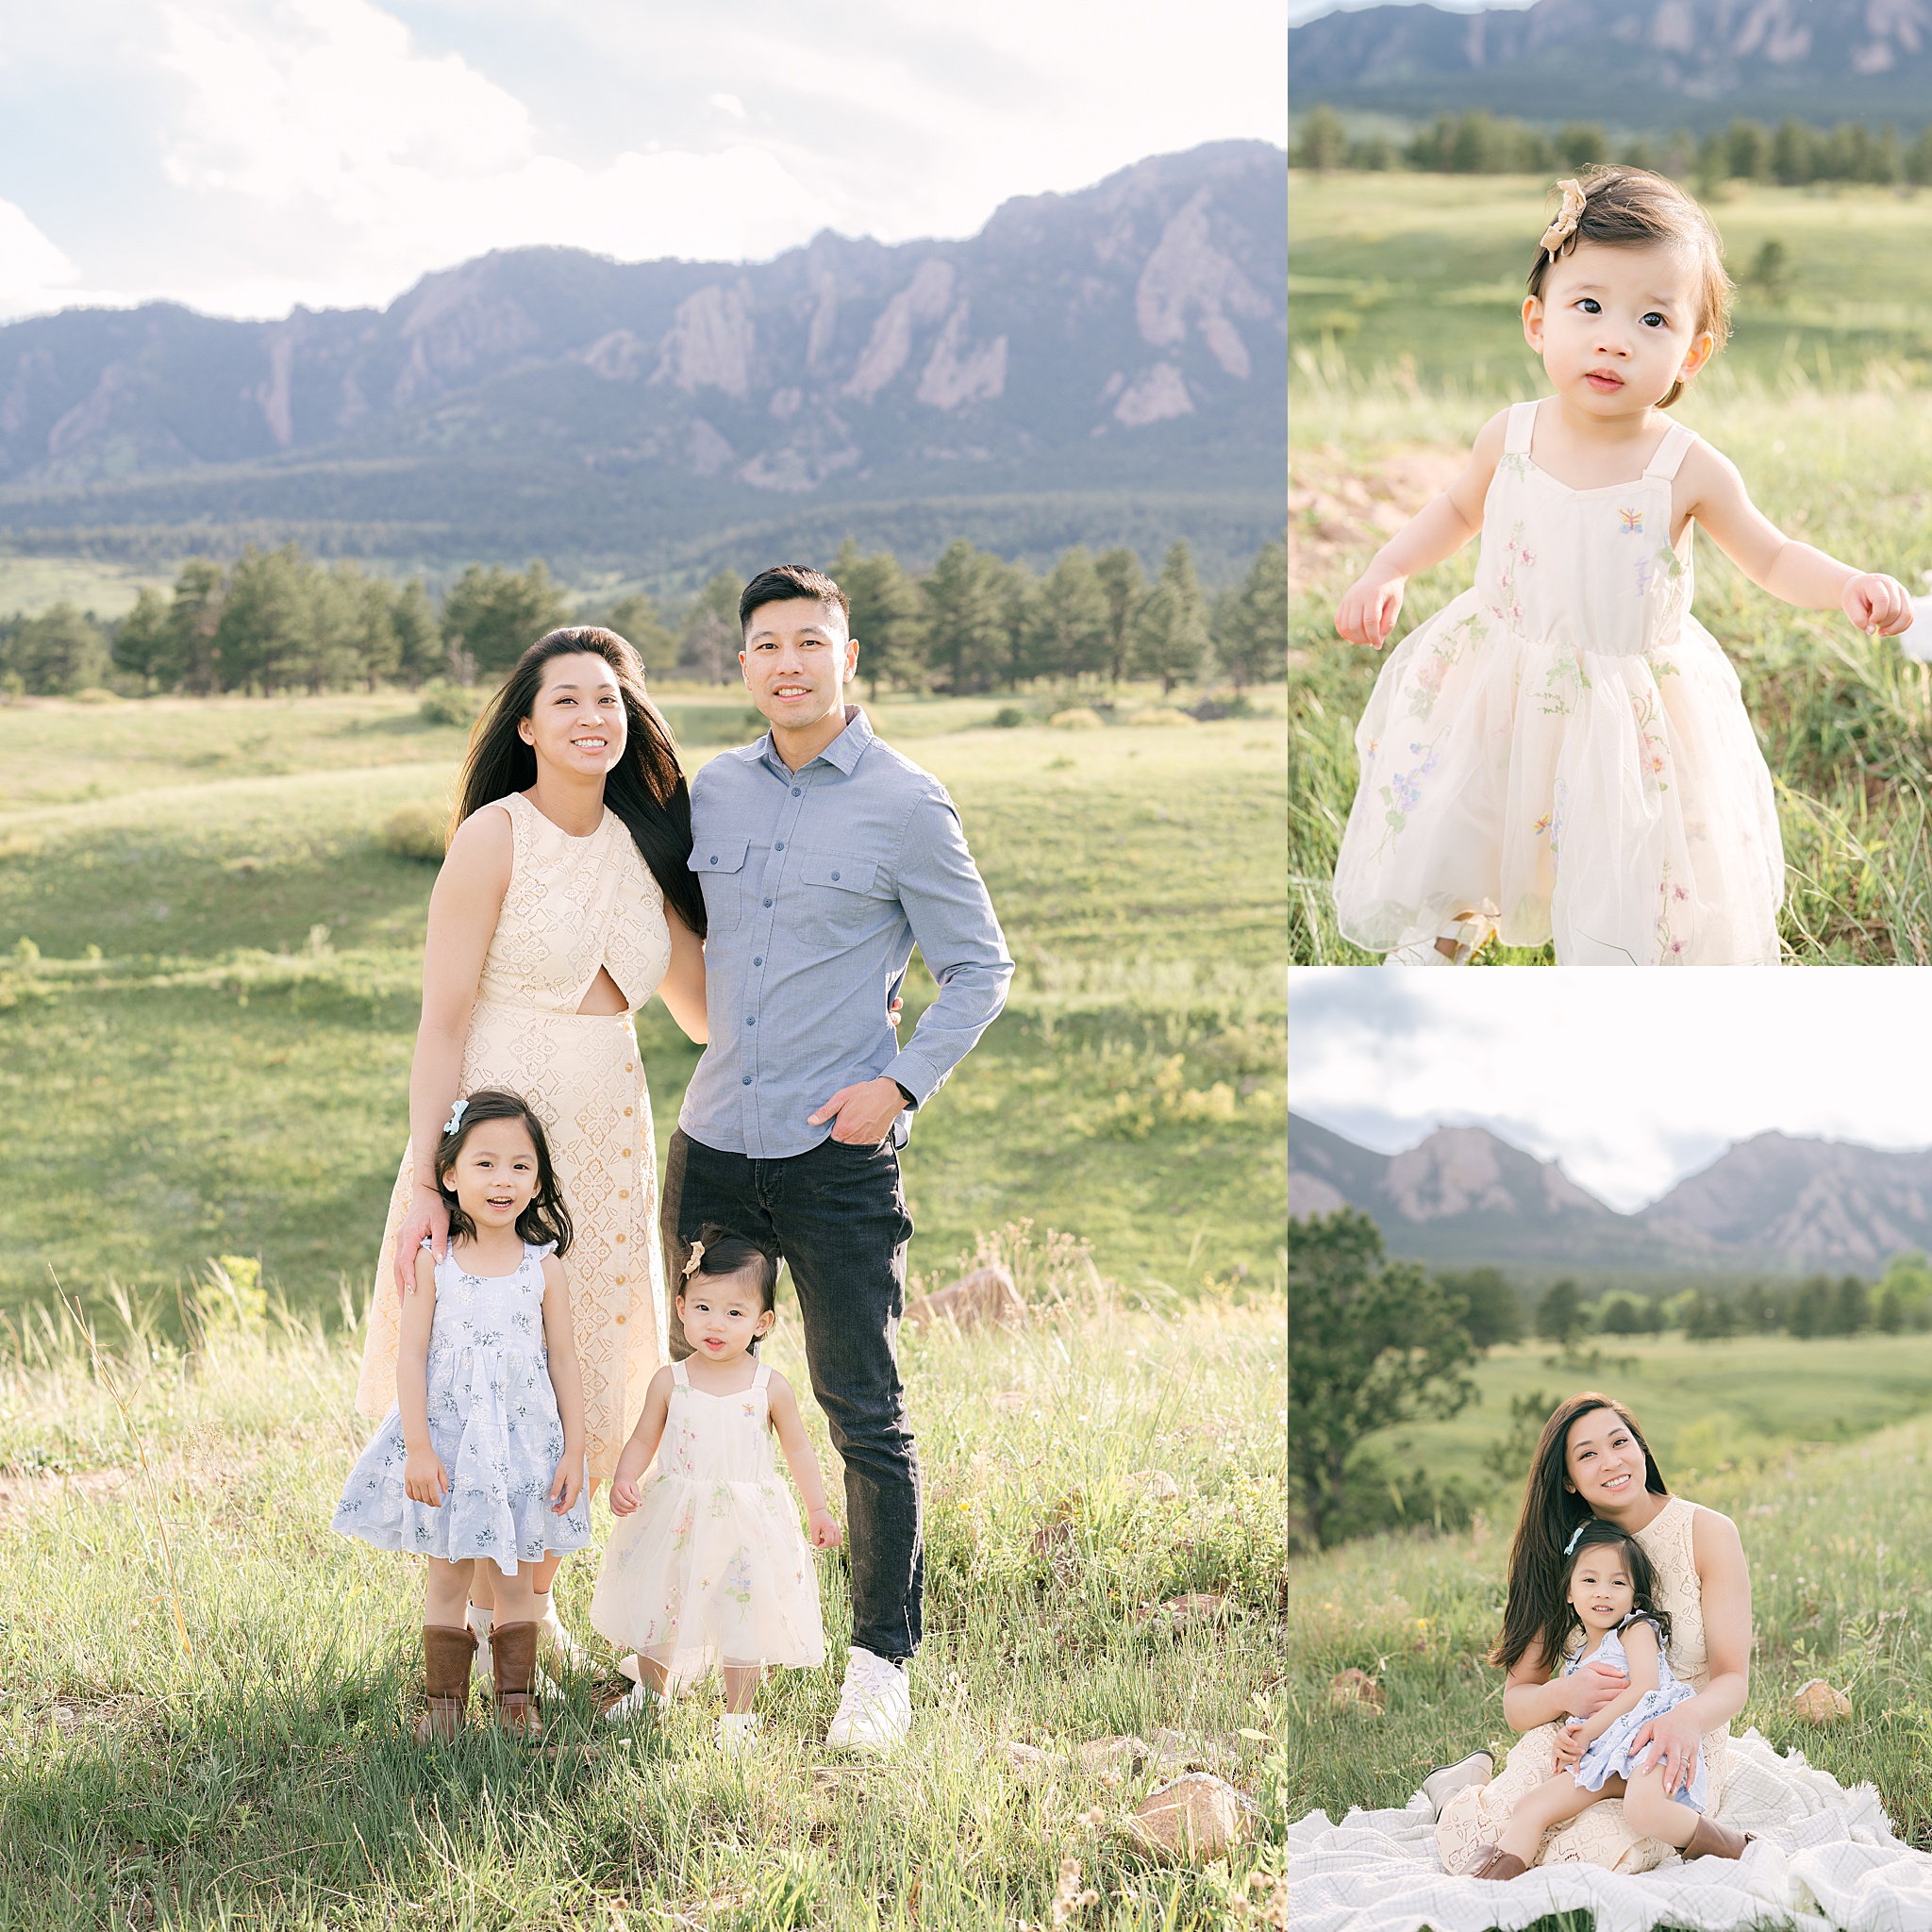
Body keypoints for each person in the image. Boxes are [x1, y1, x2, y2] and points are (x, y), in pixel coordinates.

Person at [1330, 167, 1913, 966]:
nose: (1614, 337)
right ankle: (1447, 929)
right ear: (1538, 321)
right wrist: (1388, 567)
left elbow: (1772, 556)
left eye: (1652, 319)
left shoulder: (1687, 468)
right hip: (1505, 672)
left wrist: (1846, 584)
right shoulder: (1512, 434)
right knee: (1470, 810)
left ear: (1692, 353)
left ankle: (1620, 971)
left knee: (1625, 852)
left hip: (1625, 703)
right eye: (1589, 306)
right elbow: (1457, 511)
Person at [664, 562, 1014, 1752]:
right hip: (712, 1147)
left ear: (846, 658)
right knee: (700, 1408)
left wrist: (900, 1083)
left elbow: (981, 966)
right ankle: (687, 1643)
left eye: (808, 642)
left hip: (835, 1159)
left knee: (861, 1410)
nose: (786, 662)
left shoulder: (908, 802)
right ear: (744, 662)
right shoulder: (714, 791)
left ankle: (879, 1664)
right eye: (764, 644)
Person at [354, 626, 708, 1680]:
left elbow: (701, 1013)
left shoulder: (649, 848)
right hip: (500, 1138)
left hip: (610, 1134)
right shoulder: (492, 838)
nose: (593, 717)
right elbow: (439, 1024)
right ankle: (465, 1609)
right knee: (483, 1364)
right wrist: (429, 1177)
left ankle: (532, 1606)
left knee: (590, 1366)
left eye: (611, 699)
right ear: (526, 723)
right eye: (568, 701)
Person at [333, 1089, 590, 1742]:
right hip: (449, 1446)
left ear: (537, 1182)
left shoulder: (544, 1269)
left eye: (520, 1166)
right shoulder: (435, 1262)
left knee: (515, 1579)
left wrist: (574, 1449)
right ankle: (444, 1706)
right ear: (449, 1175)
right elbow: (411, 1357)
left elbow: (563, 1360)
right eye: (485, 1164)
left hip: (522, 1448)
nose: (502, 1179)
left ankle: (514, 1702)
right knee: (446, 1573)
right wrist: (418, 1448)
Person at [1434, 1392, 1754, 1874]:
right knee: (1488, 1836)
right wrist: (1566, 1692)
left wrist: (1684, 1719)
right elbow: (1517, 1703)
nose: (1611, 1462)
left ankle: (1731, 1844)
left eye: (1620, 1442)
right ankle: (1454, 1790)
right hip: (1577, 1741)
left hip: (1676, 1737)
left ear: (1642, 1450)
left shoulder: (1708, 1533)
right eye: (1587, 1454)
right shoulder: (1562, 1557)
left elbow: (1733, 1679)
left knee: (1591, 1855)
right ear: (1567, 1479)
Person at [590, 1226, 841, 1752]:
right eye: (703, 1307)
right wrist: (624, 1477)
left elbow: (798, 1451)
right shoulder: (670, 1380)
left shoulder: (769, 1386)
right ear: (681, 1307)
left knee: (742, 1612)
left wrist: (817, 1509)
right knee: (662, 1600)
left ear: (762, 1322)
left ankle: (738, 1717)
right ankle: (652, 1694)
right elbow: (642, 1439)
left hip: (747, 1522)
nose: (716, 1324)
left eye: (734, 1313)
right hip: (677, 1513)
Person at [1463, 1519, 1730, 1880]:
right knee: (1532, 1806)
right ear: (1570, 1592)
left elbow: (1645, 1690)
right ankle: (1490, 1883)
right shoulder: (1575, 1664)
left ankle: (1738, 1848)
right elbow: (1575, 1715)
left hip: (1651, 1741)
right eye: (1589, 1580)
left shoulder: (1635, 1631)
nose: (1603, 1592)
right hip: (1605, 1759)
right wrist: (1569, 1737)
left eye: (1617, 1582)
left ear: (1634, 1597)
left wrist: (1587, 1730)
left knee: (1642, 1809)